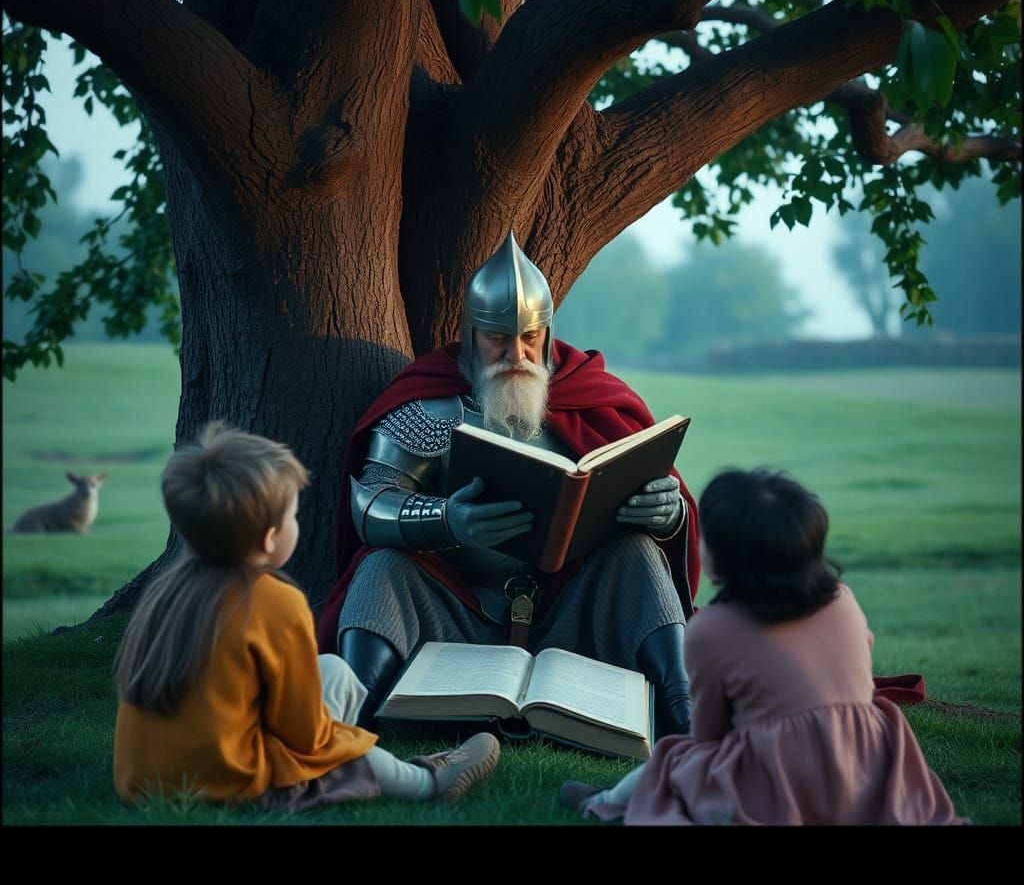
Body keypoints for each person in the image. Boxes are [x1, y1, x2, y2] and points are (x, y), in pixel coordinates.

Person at [316, 231, 700, 737]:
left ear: (547, 332)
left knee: (637, 553)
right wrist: (447, 519)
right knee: (381, 568)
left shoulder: (593, 403)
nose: (515, 353)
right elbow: (369, 505)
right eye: (498, 337)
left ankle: (684, 717)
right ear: (471, 334)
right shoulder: (430, 409)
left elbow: (666, 499)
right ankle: (349, 724)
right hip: (456, 616)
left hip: (570, 618)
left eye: (529, 337)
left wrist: (666, 513)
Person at [112, 423, 500, 812]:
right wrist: (344, 744)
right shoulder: (274, 601)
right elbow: (306, 736)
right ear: (268, 537)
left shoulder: (165, 593)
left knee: (334, 669)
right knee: (338, 747)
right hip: (237, 785)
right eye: (292, 515)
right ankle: (427, 780)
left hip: (142, 782)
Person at [559, 468, 966, 825]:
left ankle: (605, 802)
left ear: (725, 558)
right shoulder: (842, 599)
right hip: (866, 762)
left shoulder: (713, 629)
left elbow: (708, 733)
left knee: (674, 759)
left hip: (779, 776)